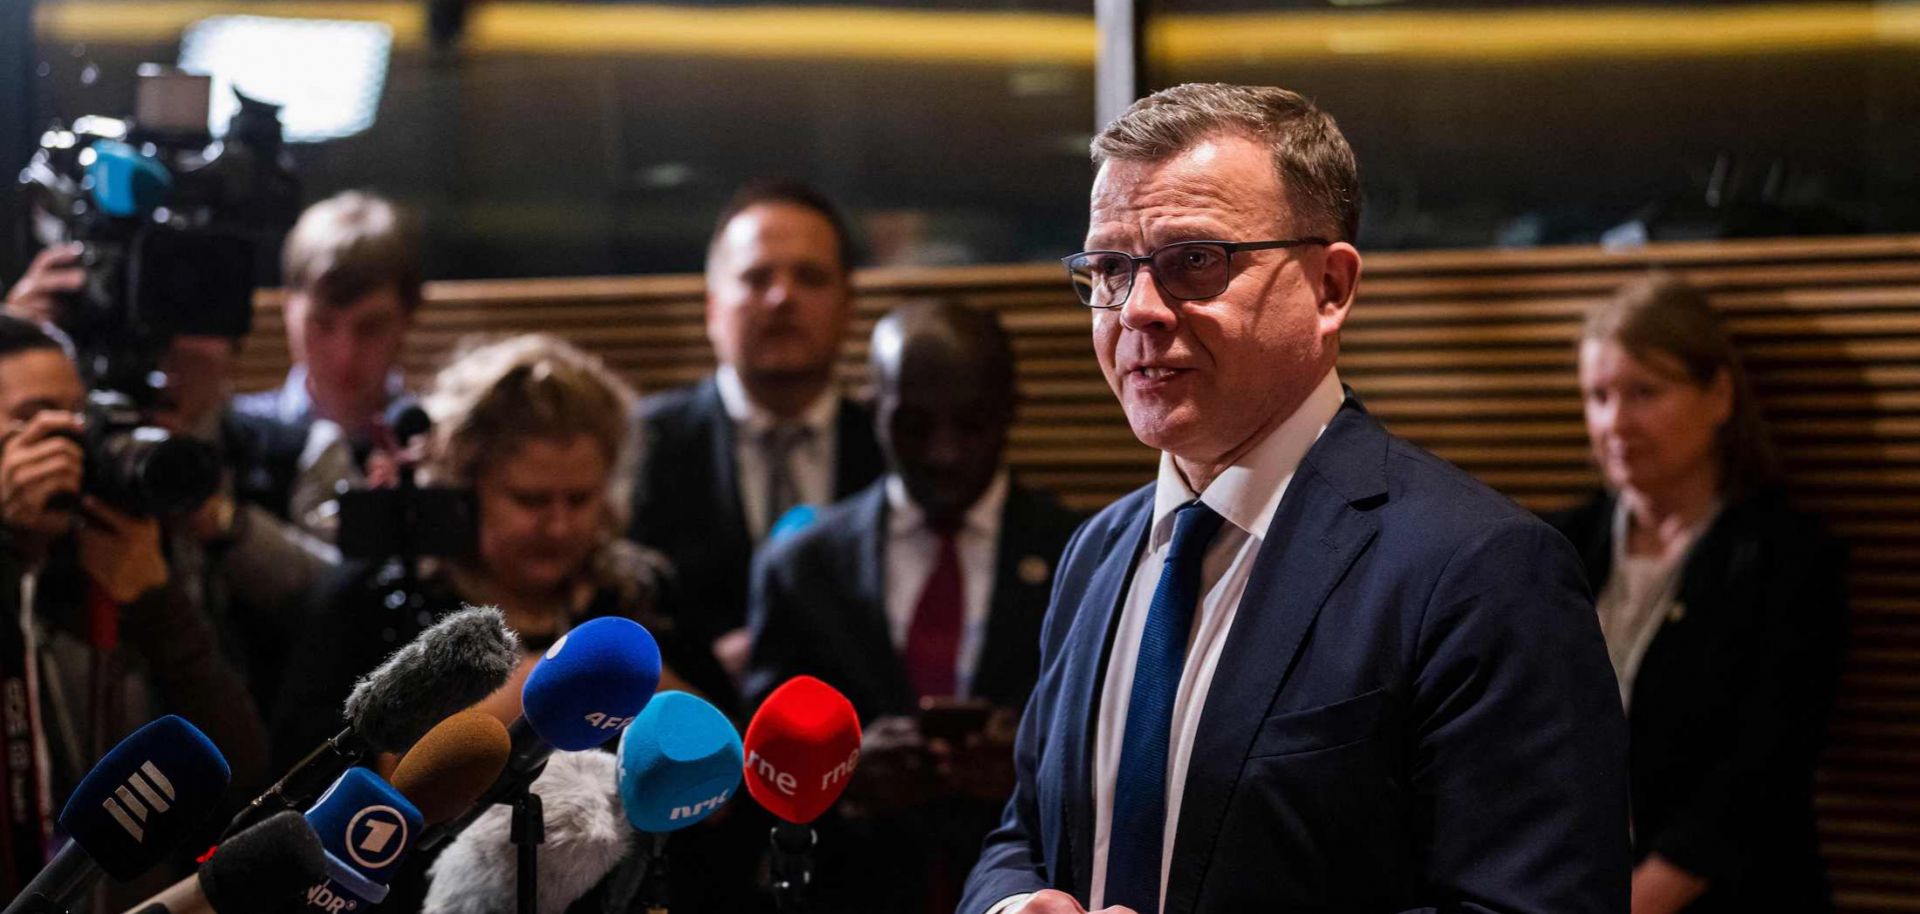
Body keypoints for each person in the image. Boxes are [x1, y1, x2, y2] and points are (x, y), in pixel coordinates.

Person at [962, 83, 1629, 914]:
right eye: (1107, 270)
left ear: (1330, 288)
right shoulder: (1096, 552)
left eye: (1193, 261)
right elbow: (1025, 833)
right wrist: (1013, 907)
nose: (1137, 311)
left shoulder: (1483, 572)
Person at [746, 299, 1082, 913]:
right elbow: (758, 764)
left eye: (971, 424)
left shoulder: (1082, 557)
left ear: (1011, 414)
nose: (944, 452)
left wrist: (1028, 770)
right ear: (874, 412)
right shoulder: (800, 565)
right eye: (914, 426)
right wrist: (841, 774)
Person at [1546, 275, 1846, 914]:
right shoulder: (1551, 544)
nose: (1615, 422)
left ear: (1719, 397)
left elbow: (1765, 771)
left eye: (1644, 393)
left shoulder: (1788, 558)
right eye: (1598, 396)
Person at [0, 316, 267, 898]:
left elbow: (240, 773)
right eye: (31, 417)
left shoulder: (113, 558)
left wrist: (155, 600)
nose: (70, 438)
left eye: (79, 414)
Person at [630, 179, 884, 710]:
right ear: (712, 308)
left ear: (848, 305)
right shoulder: (638, 445)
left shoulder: (892, 446)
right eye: (756, 277)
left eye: (810, 277)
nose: (782, 297)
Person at [234, 189, 422, 464]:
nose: (344, 355)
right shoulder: (235, 439)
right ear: (288, 310)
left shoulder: (442, 446)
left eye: (370, 328)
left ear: (408, 318)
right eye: (322, 324)